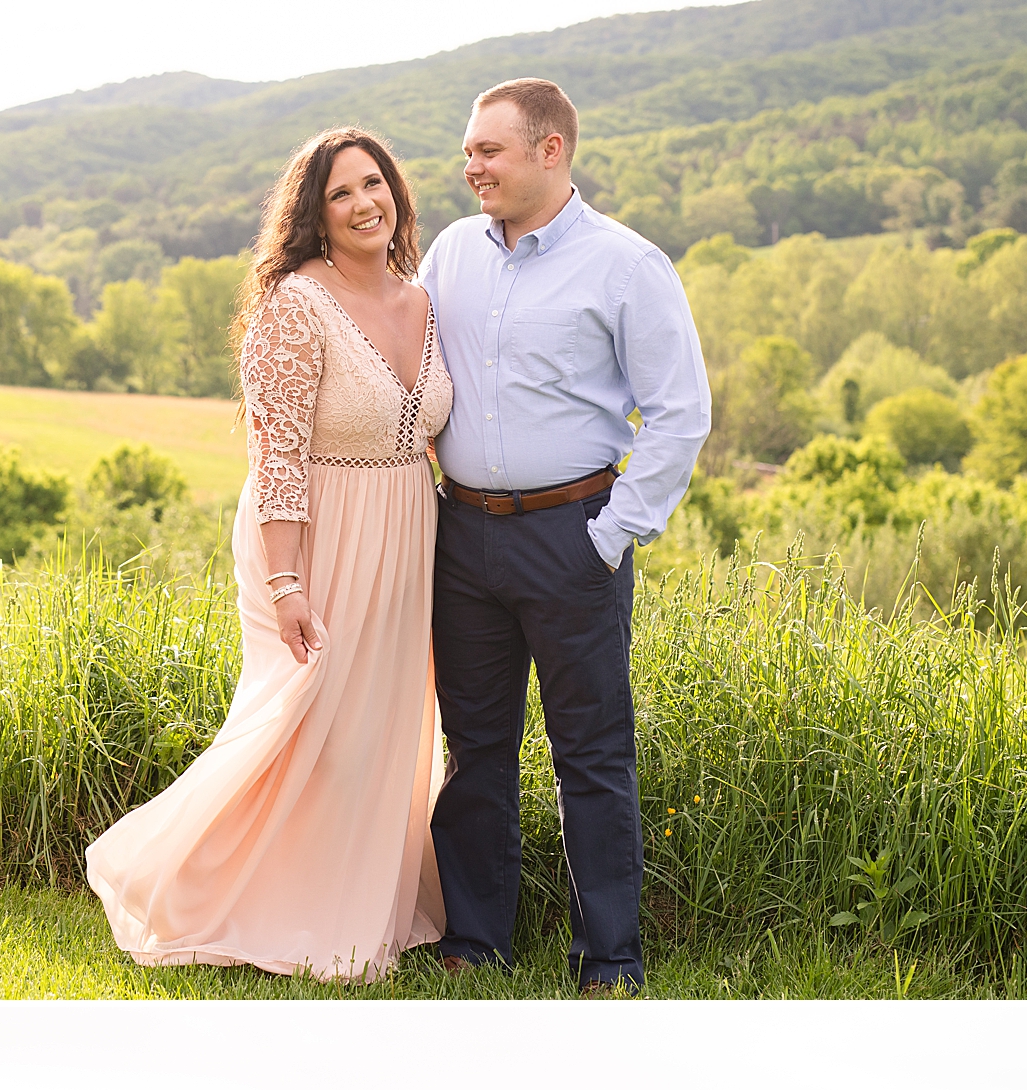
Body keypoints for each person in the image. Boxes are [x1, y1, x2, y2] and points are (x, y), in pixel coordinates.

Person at [86, 128, 452, 982]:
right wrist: (286, 580)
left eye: (374, 185)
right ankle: (190, 883)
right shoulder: (296, 304)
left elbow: (433, 433)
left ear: (395, 192)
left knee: (379, 733)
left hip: (407, 536)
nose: (365, 204)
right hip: (312, 538)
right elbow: (275, 452)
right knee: (305, 726)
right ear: (313, 216)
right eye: (341, 194)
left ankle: (366, 914)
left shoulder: (423, 300)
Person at [418, 78, 711, 994]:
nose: (471, 168)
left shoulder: (628, 266)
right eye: (469, 151)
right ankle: (476, 938)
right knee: (475, 747)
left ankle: (609, 958)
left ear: (551, 151)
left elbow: (681, 415)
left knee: (590, 753)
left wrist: (610, 534)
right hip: (461, 536)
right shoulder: (452, 252)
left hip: (573, 537)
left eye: (489, 152)